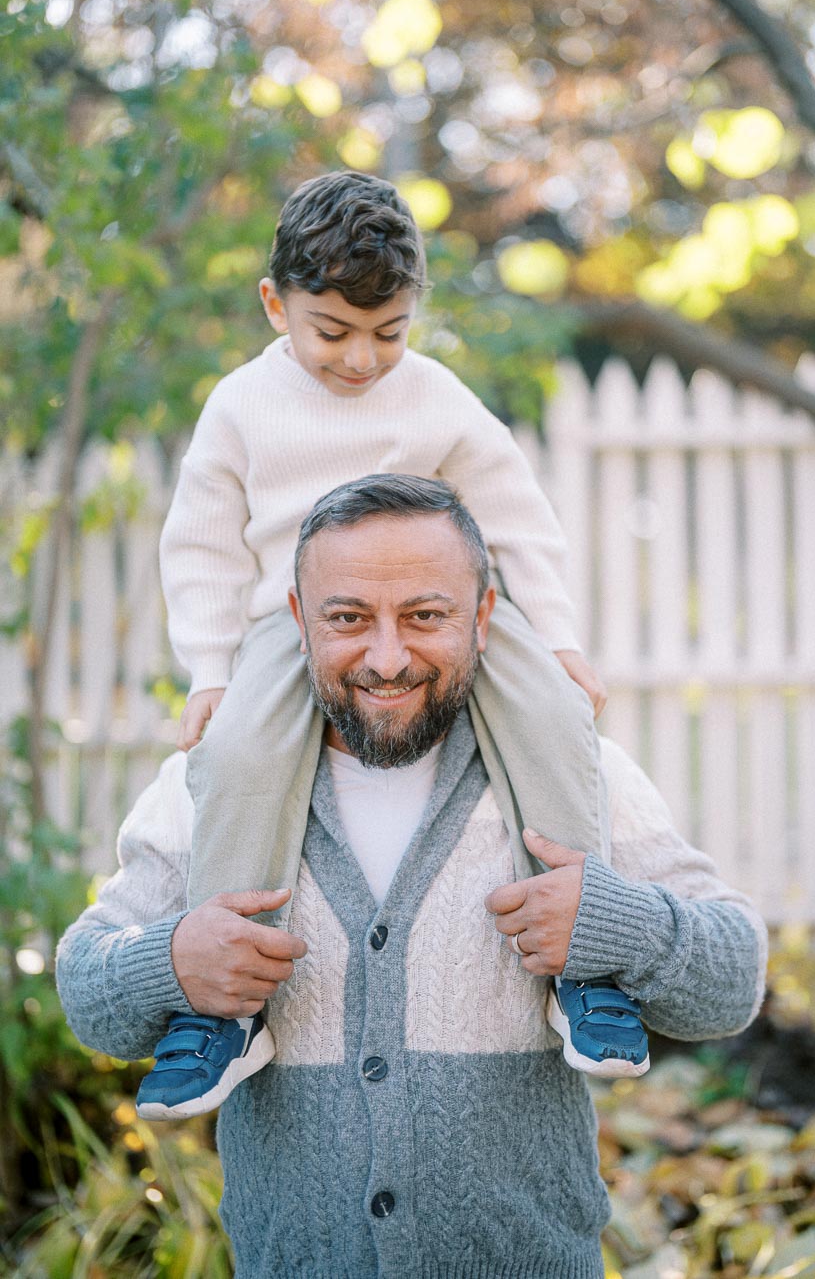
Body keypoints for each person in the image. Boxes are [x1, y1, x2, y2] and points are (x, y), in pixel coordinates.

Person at [57, 477, 767, 1279]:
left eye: (426, 616)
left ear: (483, 617)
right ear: (299, 620)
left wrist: (620, 924)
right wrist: (172, 963)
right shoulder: (211, 783)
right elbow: (87, 990)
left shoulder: (573, 773)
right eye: (348, 618)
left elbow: (732, 980)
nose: (387, 658)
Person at [151, 169, 644, 1115]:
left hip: (434, 610)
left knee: (550, 711)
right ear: (276, 304)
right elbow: (202, 544)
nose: (361, 359)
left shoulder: (435, 397)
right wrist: (210, 671)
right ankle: (228, 1009)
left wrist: (564, 640)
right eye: (331, 331)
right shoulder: (242, 406)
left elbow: (516, 517)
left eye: (389, 333)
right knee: (241, 752)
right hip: (290, 624)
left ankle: (585, 968)